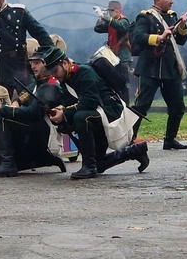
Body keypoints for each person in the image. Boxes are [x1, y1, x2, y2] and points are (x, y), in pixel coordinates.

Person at [43, 46, 150, 179]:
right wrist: (60, 112)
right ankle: (135, 151)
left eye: (55, 70)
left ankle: (89, 166)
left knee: (81, 117)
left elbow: (90, 102)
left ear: (64, 63)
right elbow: (70, 103)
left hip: (110, 109)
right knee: (99, 164)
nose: (54, 75)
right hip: (96, 112)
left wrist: (64, 113)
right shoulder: (66, 79)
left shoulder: (84, 72)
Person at [0, 48, 67, 177]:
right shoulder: (40, 82)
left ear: (47, 64)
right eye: (32, 63)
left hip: (45, 130)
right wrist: (16, 102)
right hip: (37, 125)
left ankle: (8, 163)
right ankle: (11, 160)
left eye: (37, 63)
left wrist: (3, 108)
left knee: (0, 116)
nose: (33, 66)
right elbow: (27, 92)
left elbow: (32, 113)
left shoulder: (51, 85)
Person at [131, 0, 187, 150]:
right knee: (141, 106)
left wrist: (183, 26)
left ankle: (170, 139)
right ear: (158, 0)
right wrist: (158, 37)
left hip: (170, 69)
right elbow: (138, 37)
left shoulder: (172, 16)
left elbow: (180, 40)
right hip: (150, 69)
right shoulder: (145, 17)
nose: (172, 1)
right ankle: (128, 139)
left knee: (177, 107)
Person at [94, 0, 133, 103]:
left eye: (111, 10)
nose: (110, 13)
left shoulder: (124, 21)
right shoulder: (111, 22)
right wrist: (101, 17)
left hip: (123, 58)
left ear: (118, 10)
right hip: (113, 57)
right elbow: (98, 29)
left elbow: (120, 26)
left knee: (124, 84)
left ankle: (126, 105)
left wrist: (104, 17)